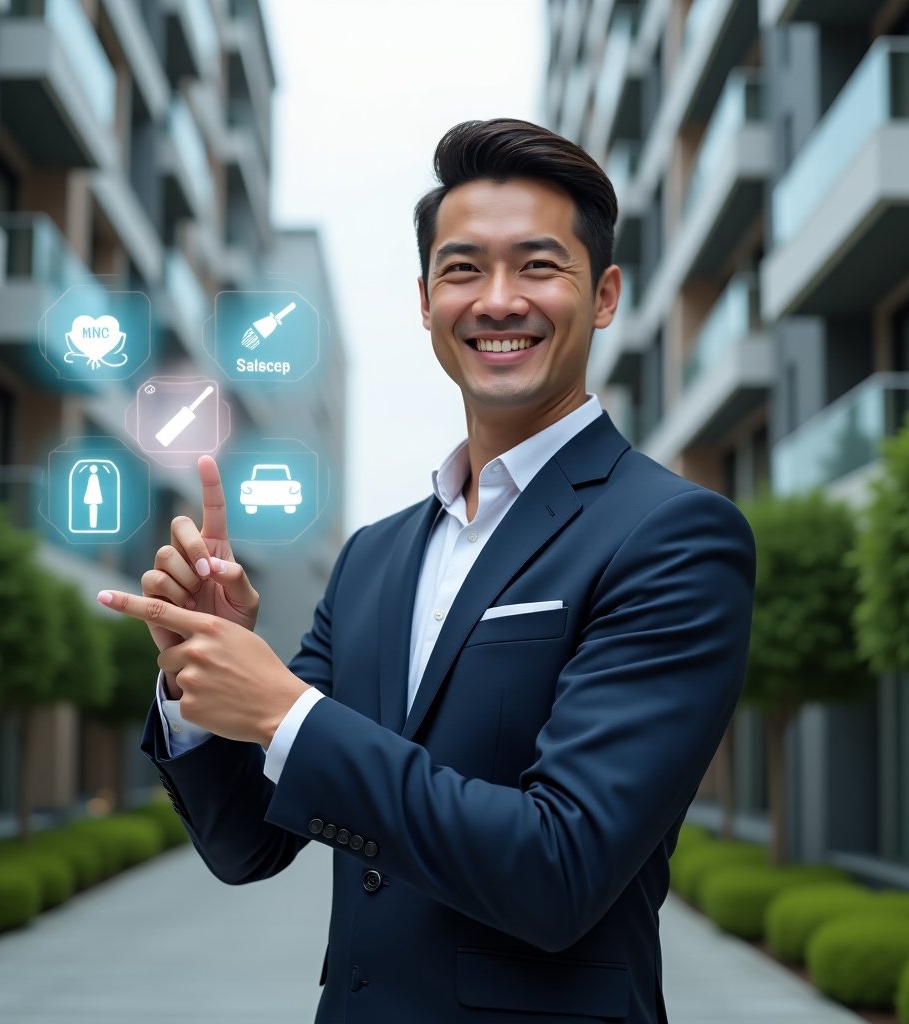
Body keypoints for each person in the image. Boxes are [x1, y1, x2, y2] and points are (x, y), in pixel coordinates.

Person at [99, 118, 756, 1023]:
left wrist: (285, 709)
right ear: (424, 301)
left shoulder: (674, 535)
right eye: (462, 269)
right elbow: (248, 845)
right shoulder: (375, 556)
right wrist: (201, 673)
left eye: (537, 266)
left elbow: (560, 869)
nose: (496, 300)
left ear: (603, 296)